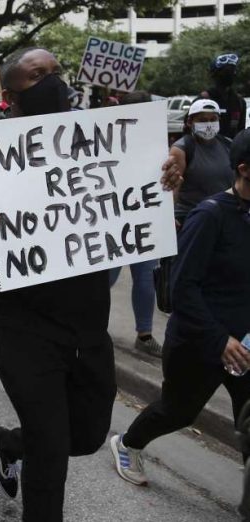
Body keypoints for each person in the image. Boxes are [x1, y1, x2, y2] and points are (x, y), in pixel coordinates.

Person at [0, 46, 182, 521]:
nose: (55, 81)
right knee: (51, 448)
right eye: (40, 76)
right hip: (22, 328)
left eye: (56, 72)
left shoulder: (106, 147)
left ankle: (6, 442)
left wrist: (167, 169)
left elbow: (146, 192)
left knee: (86, 435)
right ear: (13, 93)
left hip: (87, 328)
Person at [111, 129, 250, 491]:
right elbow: (181, 288)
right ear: (244, 169)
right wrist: (220, 339)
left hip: (247, 344)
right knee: (178, 411)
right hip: (200, 341)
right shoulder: (210, 216)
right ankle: (128, 444)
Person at [109, 91, 163, 357]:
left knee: (145, 277)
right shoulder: (108, 138)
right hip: (114, 219)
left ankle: (145, 334)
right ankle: (94, 327)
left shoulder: (155, 141)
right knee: (107, 278)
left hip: (142, 217)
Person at [170, 99, 234, 226]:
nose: (209, 124)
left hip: (224, 218)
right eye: (203, 120)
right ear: (190, 122)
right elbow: (172, 187)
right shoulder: (182, 149)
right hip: (192, 219)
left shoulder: (228, 144)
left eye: (213, 119)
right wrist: (168, 216)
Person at [200, 53, 246, 139]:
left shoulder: (239, 101)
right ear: (215, 74)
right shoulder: (204, 100)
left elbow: (241, 132)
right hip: (208, 150)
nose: (232, 74)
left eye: (233, 70)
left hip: (232, 150)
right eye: (227, 71)